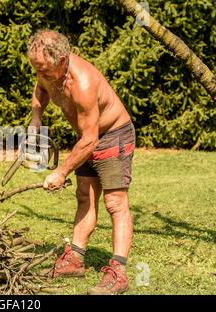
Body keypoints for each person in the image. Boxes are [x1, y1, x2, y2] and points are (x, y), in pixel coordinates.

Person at [27, 29, 136, 295]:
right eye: (36, 67)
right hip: (87, 138)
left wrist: (61, 172)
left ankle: (118, 273)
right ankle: (74, 260)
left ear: (62, 59)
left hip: (113, 136)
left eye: (44, 68)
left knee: (115, 203)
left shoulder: (82, 82)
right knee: (85, 197)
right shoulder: (46, 69)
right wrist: (36, 118)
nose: (40, 73)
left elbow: (90, 139)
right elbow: (41, 87)